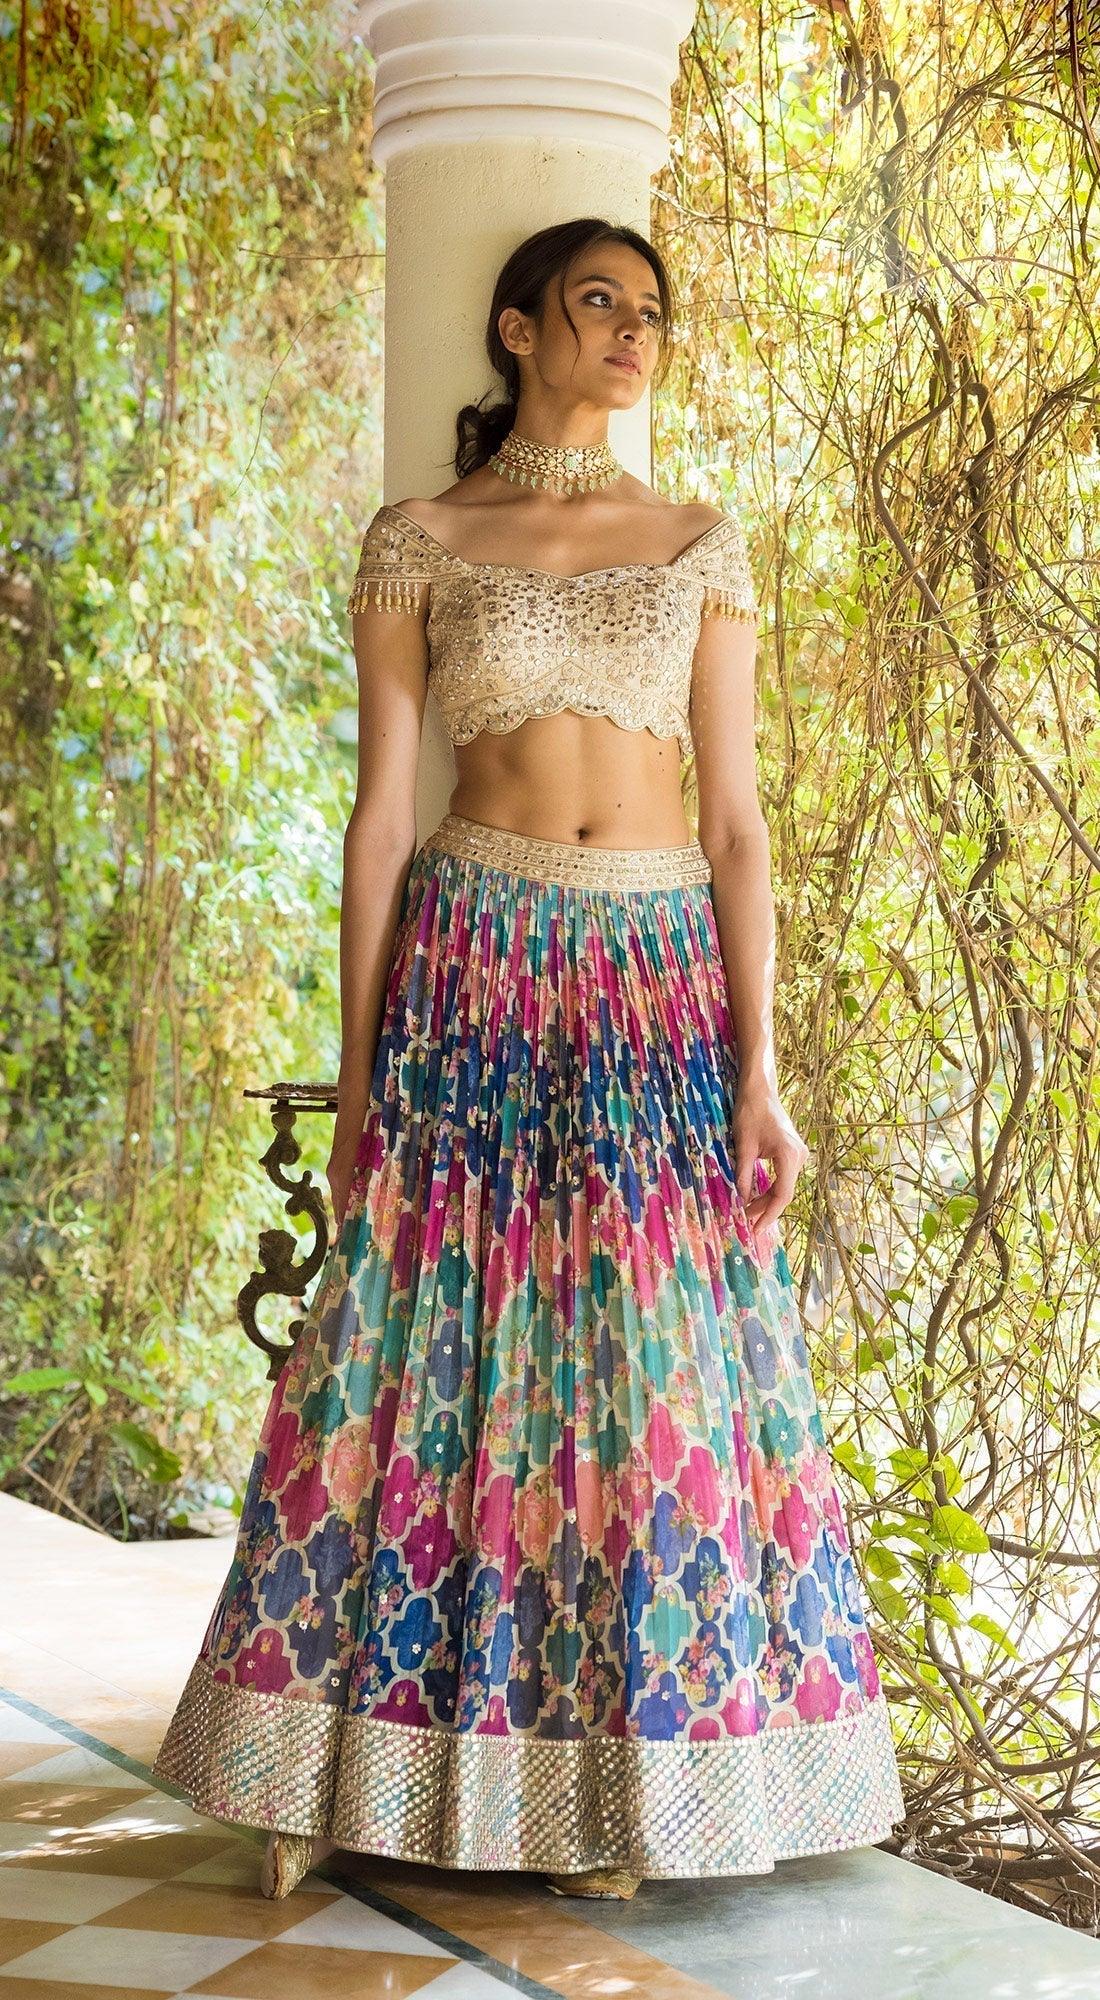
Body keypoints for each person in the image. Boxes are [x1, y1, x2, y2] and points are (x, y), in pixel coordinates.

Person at [152, 215, 906, 1904]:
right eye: (598, 303)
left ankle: (620, 1791)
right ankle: (319, 1765)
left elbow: (737, 825)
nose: (633, 332)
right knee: (411, 1343)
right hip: (473, 958)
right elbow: (378, 821)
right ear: (517, 328)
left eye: (652, 311)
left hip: (651, 976)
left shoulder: (699, 543)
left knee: (644, 1367)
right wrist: (357, 1070)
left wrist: (761, 1069)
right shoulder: (422, 540)